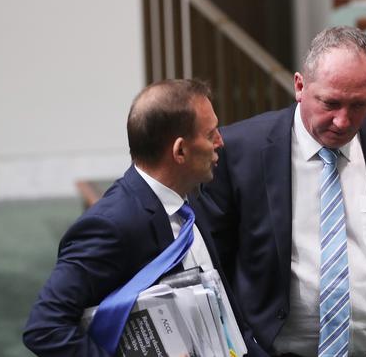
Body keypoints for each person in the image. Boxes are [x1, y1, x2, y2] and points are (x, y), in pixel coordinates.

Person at [199, 27, 366, 357]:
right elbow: (212, 271)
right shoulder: (240, 151)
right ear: (299, 86)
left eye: (359, 105)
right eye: (330, 103)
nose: (342, 121)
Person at [23, 79, 267, 356]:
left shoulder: (189, 203)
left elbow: (226, 315)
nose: (221, 142)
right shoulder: (110, 224)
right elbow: (45, 327)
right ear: (180, 151)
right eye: (211, 134)